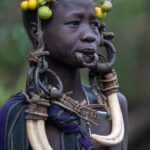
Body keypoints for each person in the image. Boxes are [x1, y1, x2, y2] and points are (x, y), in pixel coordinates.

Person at [0, 0, 128, 149]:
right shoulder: (19, 112)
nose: (90, 35)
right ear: (37, 33)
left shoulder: (114, 105)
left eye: (93, 24)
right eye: (74, 23)